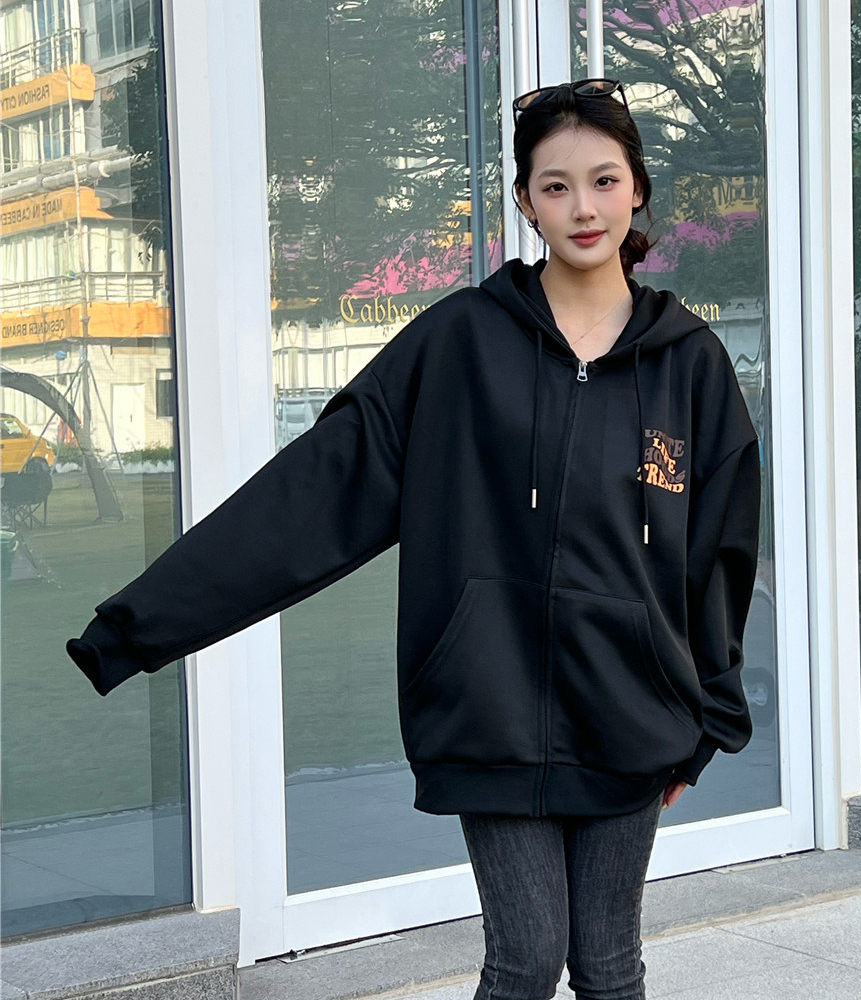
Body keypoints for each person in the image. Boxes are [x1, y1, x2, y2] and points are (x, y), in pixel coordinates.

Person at [67, 78, 760, 1000]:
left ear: (636, 188)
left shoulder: (690, 363)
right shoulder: (460, 343)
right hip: (487, 708)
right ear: (525, 203)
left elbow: (718, 553)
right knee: (525, 962)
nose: (583, 208)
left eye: (603, 180)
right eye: (555, 186)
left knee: (608, 967)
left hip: (632, 717)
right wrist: (136, 627)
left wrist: (706, 718)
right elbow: (316, 491)